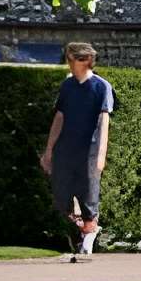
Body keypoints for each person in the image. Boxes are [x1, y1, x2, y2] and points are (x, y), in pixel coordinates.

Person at [38, 41, 112, 261]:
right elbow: (59, 117)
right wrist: (49, 151)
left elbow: (104, 121)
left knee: (89, 196)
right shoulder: (68, 86)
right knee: (61, 198)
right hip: (65, 149)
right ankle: (85, 229)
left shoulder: (101, 87)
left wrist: (101, 155)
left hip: (89, 150)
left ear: (86, 61)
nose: (69, 64)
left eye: (73, 59)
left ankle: (88, 235)